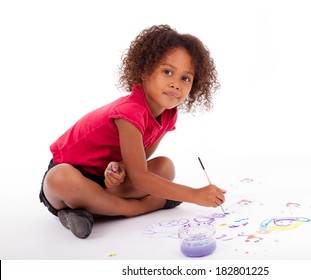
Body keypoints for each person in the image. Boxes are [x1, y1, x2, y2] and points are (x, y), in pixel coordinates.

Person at [39, 24, 226, 239]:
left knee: (165, 167)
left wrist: (118, 170)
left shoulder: (167, 113)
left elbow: (141, 156)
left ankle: (84, 212)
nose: (176, 84)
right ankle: (134, 208)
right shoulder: (130, 111)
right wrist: (194, 194)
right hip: (72, 176)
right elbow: (139, 178)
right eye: (167, 72)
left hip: (107, 180)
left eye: (185, 78)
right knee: (60, 178)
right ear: (145, 71)